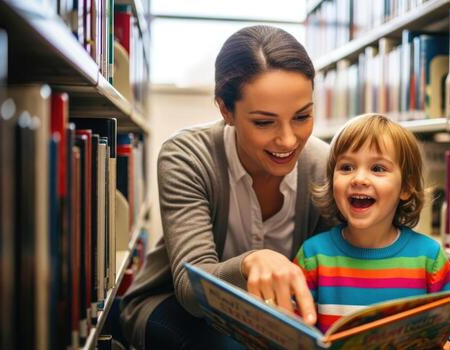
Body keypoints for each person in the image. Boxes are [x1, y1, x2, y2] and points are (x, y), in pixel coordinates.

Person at [120, 25, 330, 349]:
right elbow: (191, 291)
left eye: (302, 117)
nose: (289, 140)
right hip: (175, 307)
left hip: (282, 320)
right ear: (225, 110)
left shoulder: (324, 165)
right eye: (264, 122)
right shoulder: (187, 156)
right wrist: (250, 262)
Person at [294, 114, 450, 350]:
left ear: (406, 187)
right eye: (346, 167)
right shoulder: (313, 256)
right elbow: (291, 326)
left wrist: (449, 347)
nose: (359, 178)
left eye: (377, 168)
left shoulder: (428, 258)